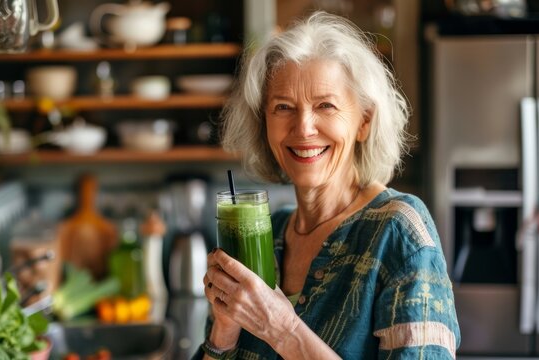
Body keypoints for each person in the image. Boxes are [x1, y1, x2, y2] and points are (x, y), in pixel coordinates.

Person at [195, 11, 460, 360]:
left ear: (364, 121)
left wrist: (283, 329)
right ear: (264, 124)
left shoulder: (398, 232)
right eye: (283, 107)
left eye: (325, 105)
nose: (304, 127)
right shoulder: (269, 233)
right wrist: (223, 334)